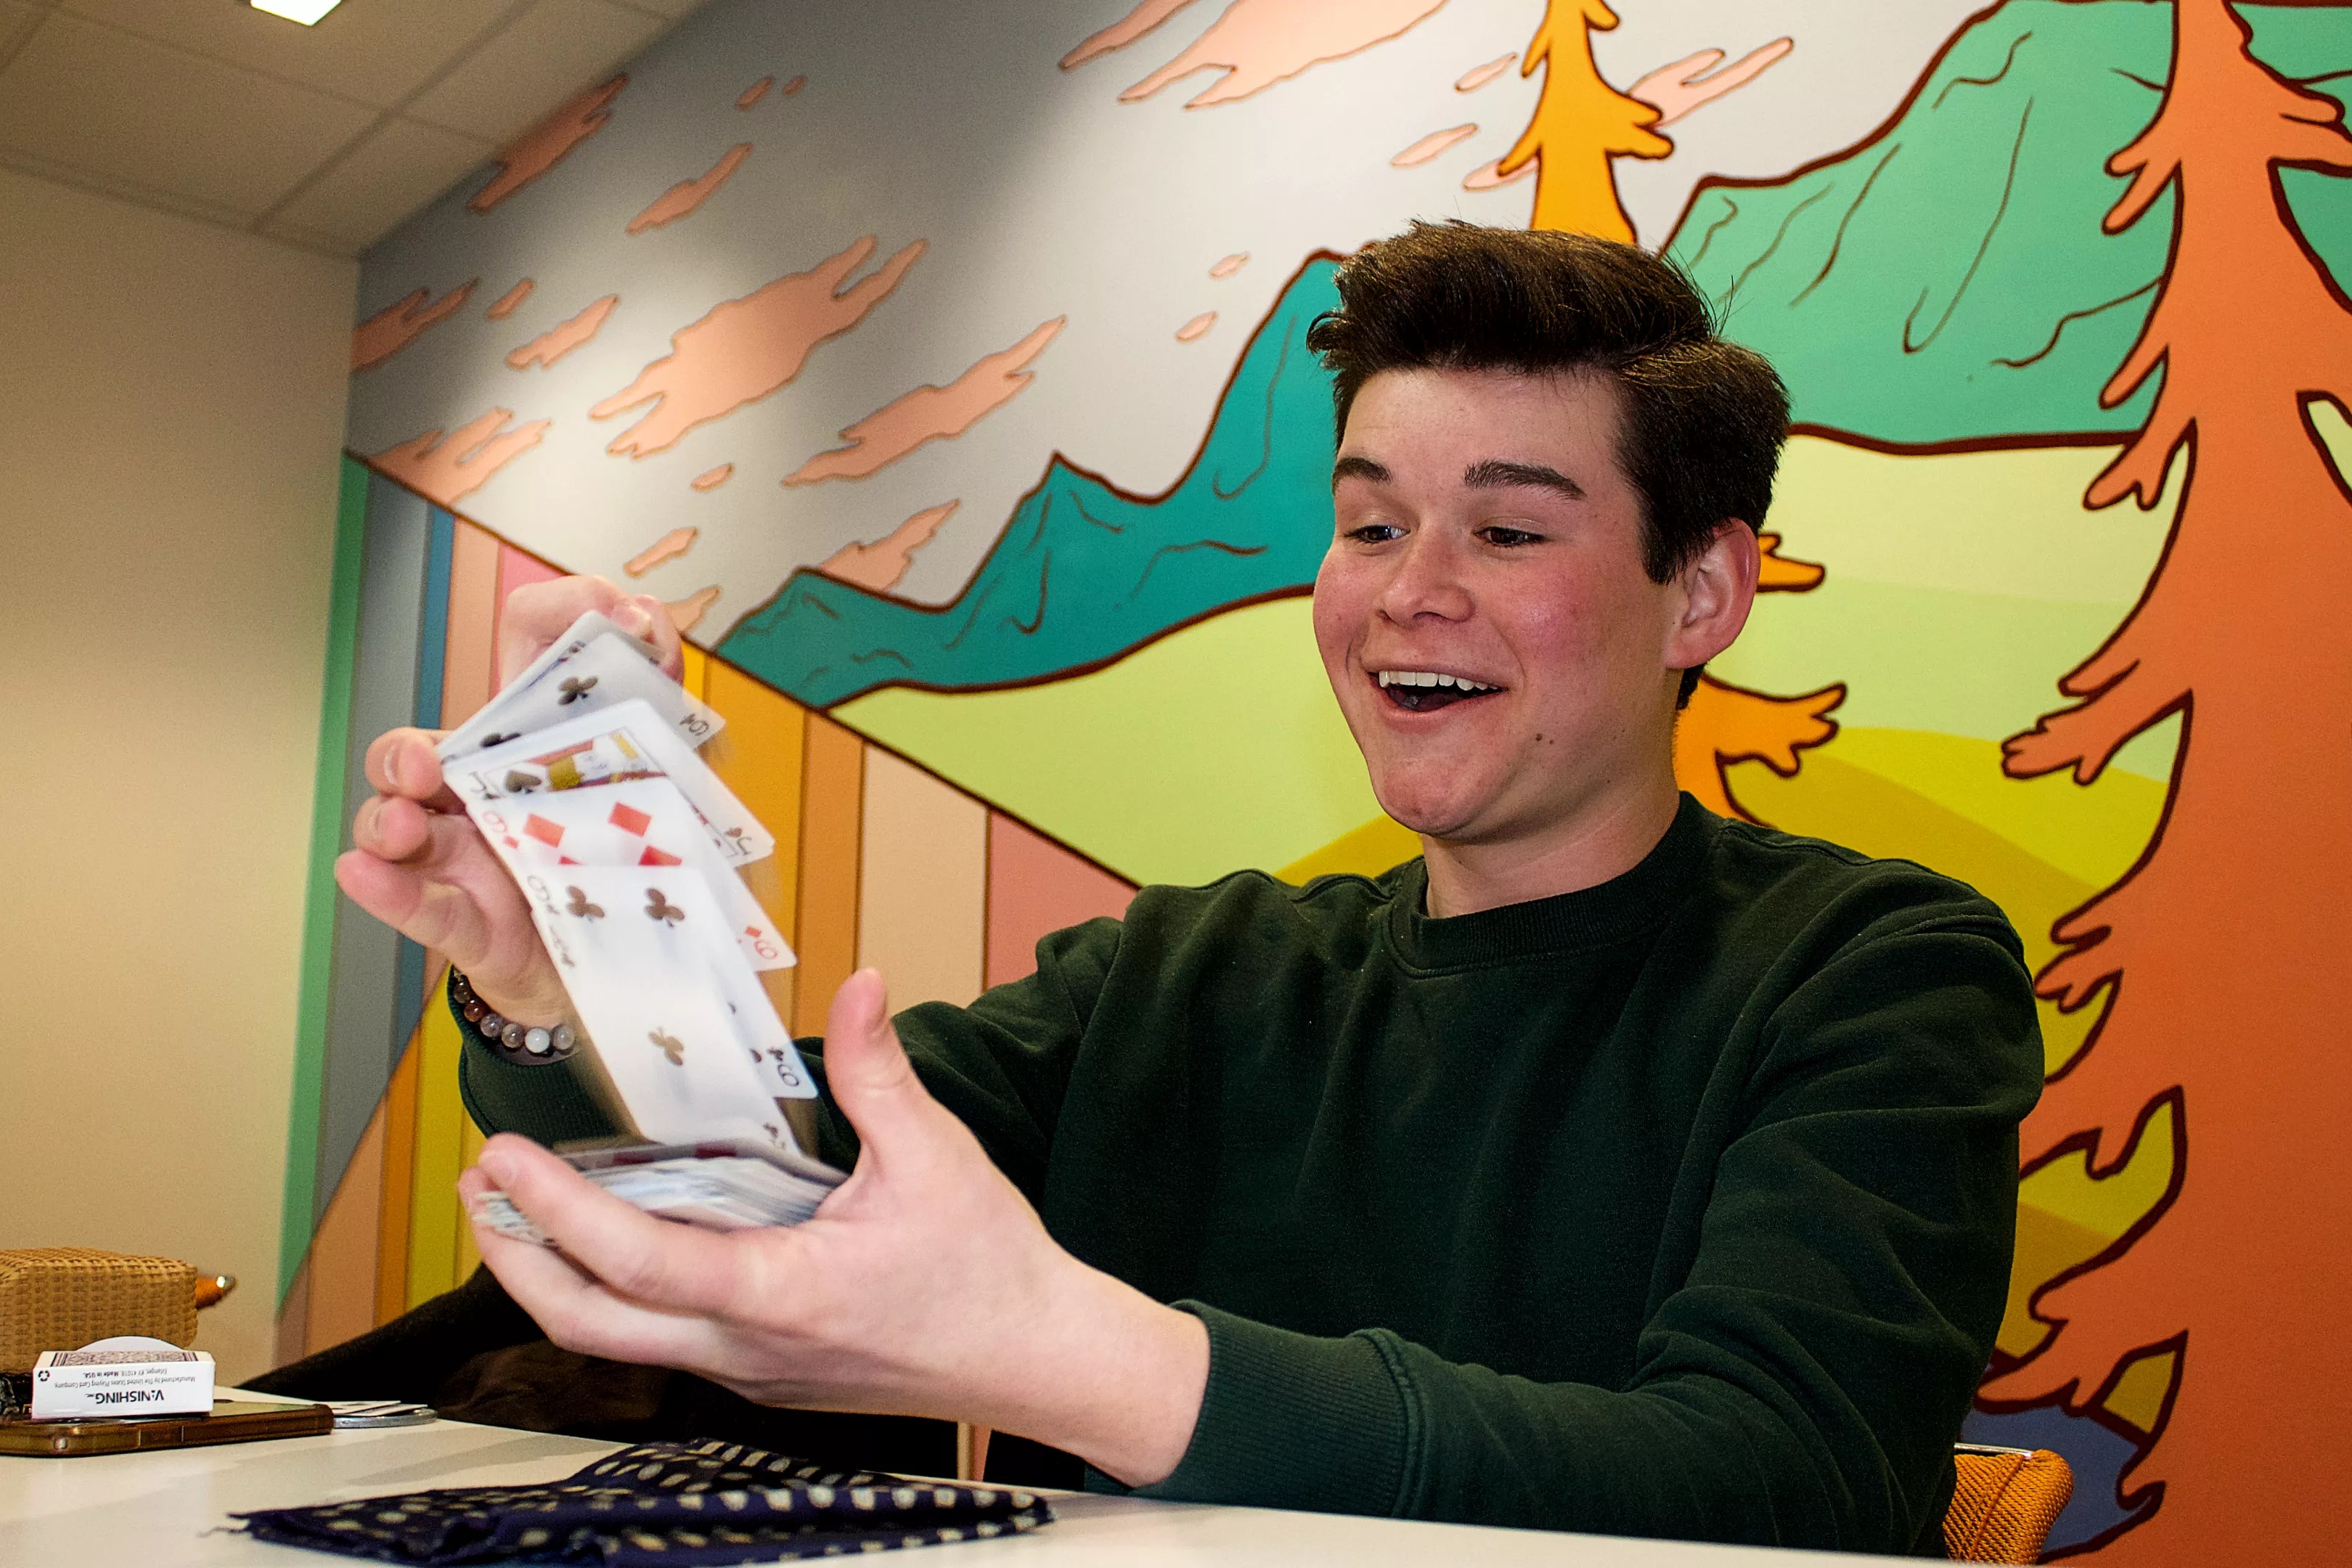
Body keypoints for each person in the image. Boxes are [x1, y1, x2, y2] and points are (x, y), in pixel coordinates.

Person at [337, 221, 2041, 1554]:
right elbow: (759, 1202)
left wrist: (1076, 1353)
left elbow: (1791, 1484)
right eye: (1369, 527)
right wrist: (564, 981)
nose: (1410, 596)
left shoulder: (1878, 972)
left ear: (1704, 593)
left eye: (1509, 534)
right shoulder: (1185, 970)